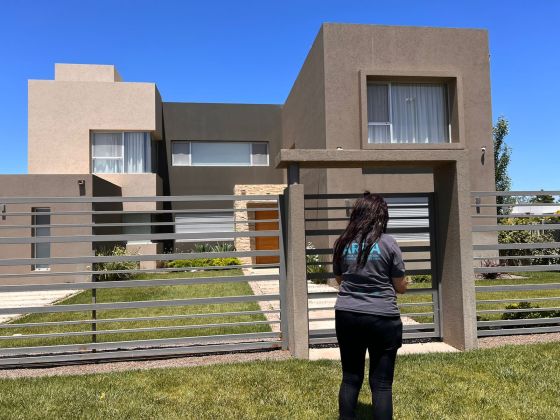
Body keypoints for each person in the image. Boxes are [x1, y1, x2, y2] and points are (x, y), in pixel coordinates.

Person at [332, 192, 408, 420]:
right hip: (382, 317)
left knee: (350, 377)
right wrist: (404, 284)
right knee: (382, 383)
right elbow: (400, 285)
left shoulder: (342, 242)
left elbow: (340, 279)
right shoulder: (389, 243)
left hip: (347, 315)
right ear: (381, 216)